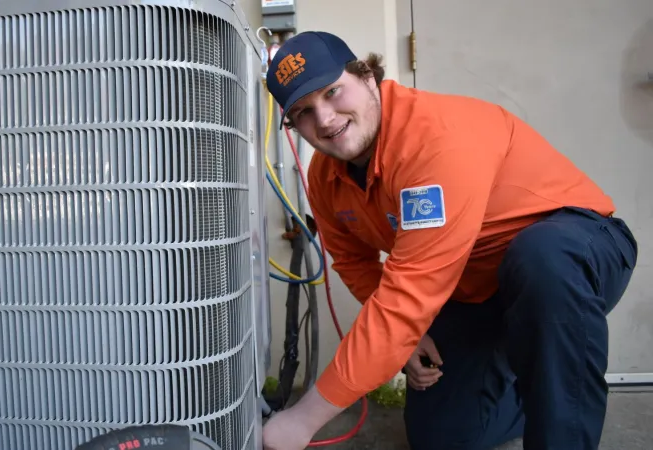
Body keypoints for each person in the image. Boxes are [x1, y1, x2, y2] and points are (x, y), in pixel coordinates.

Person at [260, 30, 638, 450]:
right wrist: (409, 338)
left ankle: (560, 407)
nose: (326, 119)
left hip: (577, 253)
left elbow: (406, 300)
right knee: (440, 437)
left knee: (540, 260)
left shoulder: (435, 139)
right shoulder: (325, 177)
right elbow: (352, 260)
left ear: (367, 76)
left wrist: (302, 420)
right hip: (474, 289)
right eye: (304, 112)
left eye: (332, 92)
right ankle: (532, 387)